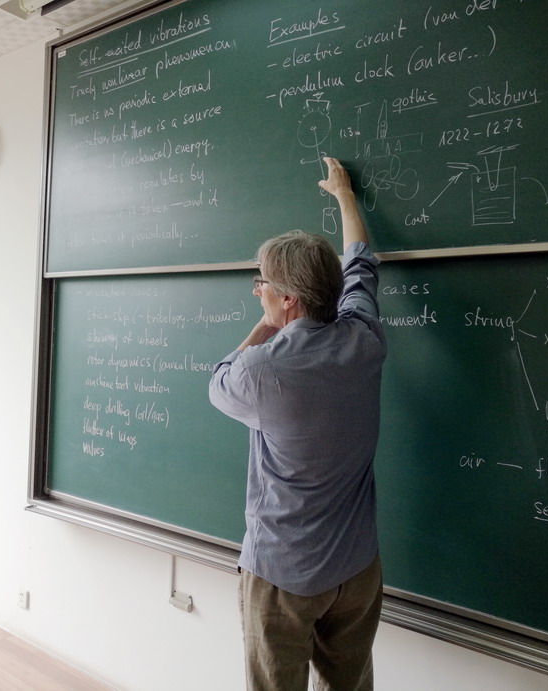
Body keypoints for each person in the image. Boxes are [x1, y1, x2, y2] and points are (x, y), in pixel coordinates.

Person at [209, 157, 387, 690]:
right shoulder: (364, 338)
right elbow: (360, 266)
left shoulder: (260, 371)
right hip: (356, 568)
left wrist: (266, 327)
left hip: (283, 572)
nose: (256, 290)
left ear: (287, 297)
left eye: (261, 282)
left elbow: (219, 380)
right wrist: (345, 197)